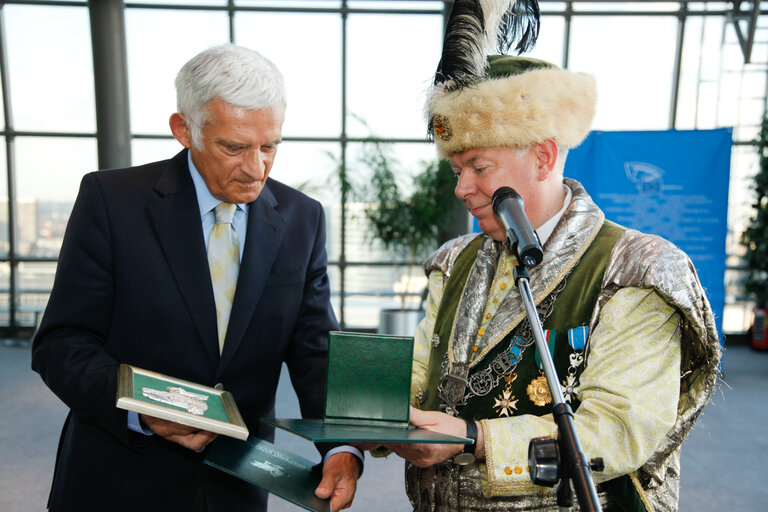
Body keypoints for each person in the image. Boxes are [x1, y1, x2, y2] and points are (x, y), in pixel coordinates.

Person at [370, 2, 721, 511]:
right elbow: (423, 370)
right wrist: (379, 414)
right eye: (455, 170)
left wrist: (475, 438)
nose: (463, 188)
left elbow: (619, 428)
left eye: (479, 166)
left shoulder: (638, 270)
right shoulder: (454, 260)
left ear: (544, 156)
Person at [31, 44, 361, 512]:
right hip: (118, 479)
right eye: (234, 147)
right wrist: (140, 410)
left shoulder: (301, 219)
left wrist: (341, 447)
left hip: (236, 489)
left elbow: (316, 351)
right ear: (184, 130)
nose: (256, 168)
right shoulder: (111, 201)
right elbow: (61, 343)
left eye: (270, 146)